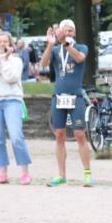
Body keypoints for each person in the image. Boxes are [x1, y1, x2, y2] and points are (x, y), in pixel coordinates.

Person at [40, 19, 93, 187]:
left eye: (70, 31)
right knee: (59, 134)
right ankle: (61, 175)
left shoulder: (81, 47)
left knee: (79, 134)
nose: (68, 33)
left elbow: (79, 58)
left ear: (74, 33)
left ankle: (88, 174)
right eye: (65, 30)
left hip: (75, 96)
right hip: (59, 96)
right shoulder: (56, 50)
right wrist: (50, 44)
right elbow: (43, 64)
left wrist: (66, 44)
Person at [0, 31, 32, 185]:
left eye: (5, 42)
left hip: (12, 101)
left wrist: (3, 62)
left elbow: (12, 78)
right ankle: (2, 172)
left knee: (16, 136)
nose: (2, 44)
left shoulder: (16, 61)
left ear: (10, 45)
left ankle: (24, 172)